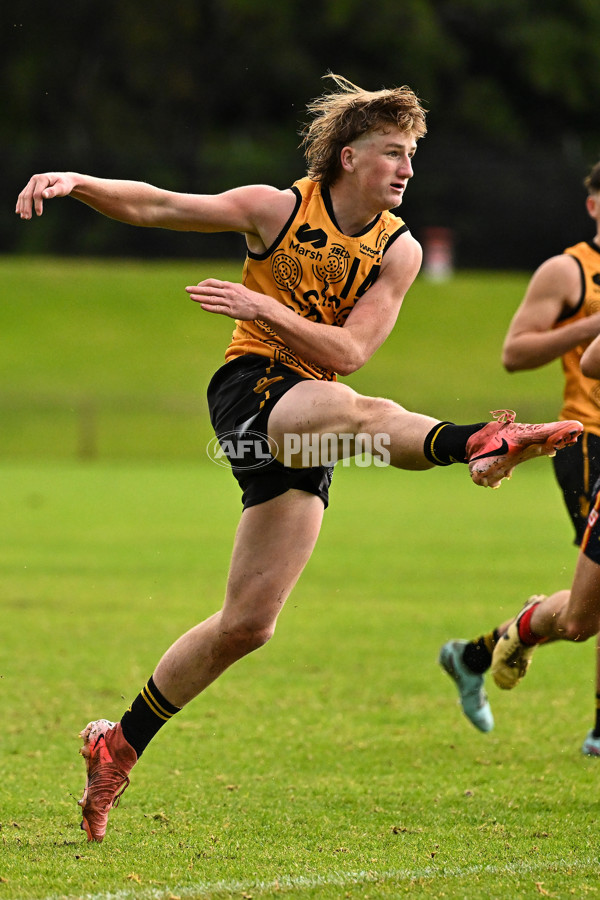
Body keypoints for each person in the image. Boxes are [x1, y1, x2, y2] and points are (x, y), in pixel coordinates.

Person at [16, 74, 583, 843]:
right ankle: (479, 441)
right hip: (252, 392)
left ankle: (116, 745)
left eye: (412, 154)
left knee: (249, 624)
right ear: (349, 157)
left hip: (313, 408)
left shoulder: (400, 250)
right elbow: (159, 205)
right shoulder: (276, 210)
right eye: (393, 152)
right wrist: (77, 182)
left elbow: (348, 352)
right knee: (361, 414)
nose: (408, 167)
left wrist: (262, 304)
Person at [439, 161, 600, 747]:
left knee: (587, 610)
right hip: (586, 438)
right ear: (593, 205)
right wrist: (590, 324)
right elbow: (515, 353)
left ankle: (476, 653)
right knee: (589, 609)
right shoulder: (568, 270)